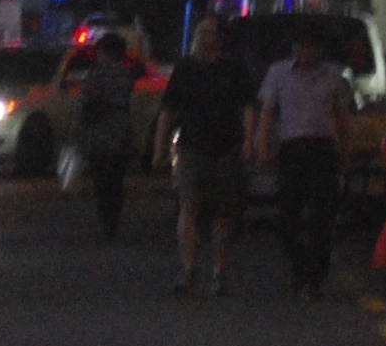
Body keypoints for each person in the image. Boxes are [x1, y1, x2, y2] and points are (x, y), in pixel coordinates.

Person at [152, 17, 257, 294]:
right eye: (199, 32)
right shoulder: (185, 69)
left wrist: (249, 141)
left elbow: (247, 106)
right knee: (188, 207)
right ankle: (189, 271)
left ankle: (219, 272)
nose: (201, 37)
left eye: (207, 32)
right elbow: (169, 111)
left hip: (227, 148)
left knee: (224, 212)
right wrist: (159, 149)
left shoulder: (232, 69)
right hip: (191, 147)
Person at [253, 28, 355, 302]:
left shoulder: (333, 76)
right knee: (287, 217)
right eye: (301, 46)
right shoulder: (279, 73)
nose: (306, 52)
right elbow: (267, 112)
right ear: (294, 49)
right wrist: (262, 145)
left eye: (311, 46)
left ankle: (314, 279)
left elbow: (342, 117)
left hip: (322, 150)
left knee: (322, 218)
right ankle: (300, 265)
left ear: (320, 50)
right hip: (291, 149)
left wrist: (346, 154)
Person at [71, 32, 138, 239]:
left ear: (104, 52)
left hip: (99, 137)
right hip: (120, 136)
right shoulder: (125, 76)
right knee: (116, 181)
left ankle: (106, 222)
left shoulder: (96, 74)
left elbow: (83, 104)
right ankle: (113, 220)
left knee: (101, 182)